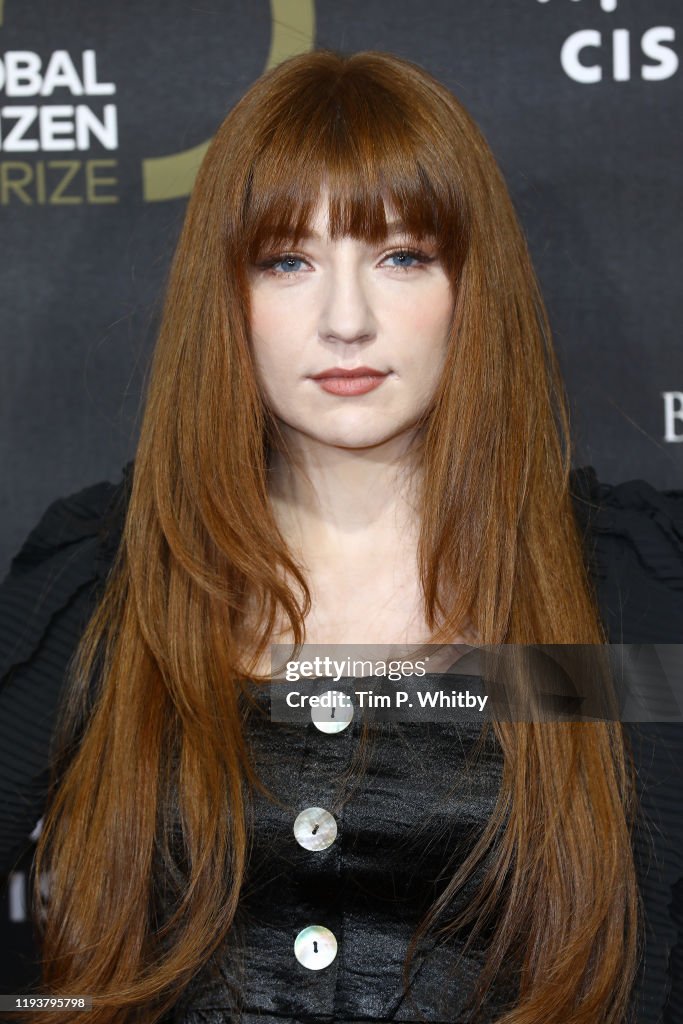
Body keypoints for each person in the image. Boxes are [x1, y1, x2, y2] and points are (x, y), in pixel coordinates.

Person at [0, 48, 681, 1024]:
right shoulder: (109, 586)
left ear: (468, 288)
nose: (346, 320)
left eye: (401, 256)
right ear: (225, 296)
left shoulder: (616, 589)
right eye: (288, 261)